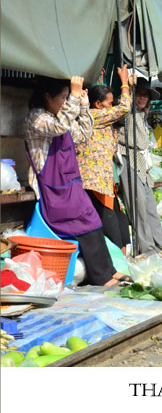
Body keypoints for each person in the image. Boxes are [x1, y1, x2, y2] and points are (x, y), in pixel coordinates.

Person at [24, 76, 126, 286]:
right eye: (63, 98)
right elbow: (58, 128)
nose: (65, 103)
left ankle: (109, 270)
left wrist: (84, 106)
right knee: (83, 224)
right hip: (52, 190)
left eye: (66, 98)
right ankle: (102, 277)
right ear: (47, 97)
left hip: (70, 184)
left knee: (94, 221)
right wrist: (74, 97)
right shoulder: (37, 118)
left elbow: (82, 136)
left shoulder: (60, 117)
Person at [76, 66, 132, 254]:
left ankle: (122, 258)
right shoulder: (94, 115)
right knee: (110, 220)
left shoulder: (103, 119)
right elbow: (124, 107)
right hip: (95, 179)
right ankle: (117, 261)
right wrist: (124, 82)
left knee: (120, 219)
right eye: (109, 103)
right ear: (98, 104)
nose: (112, 106)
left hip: (105, 179)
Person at [118, 79, 162, 254]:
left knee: (150, 207)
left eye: (145, 95)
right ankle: (147, 249)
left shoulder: (142, 115)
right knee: (138, 207)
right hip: (128, 159)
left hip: (142, 164)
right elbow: (138, 141)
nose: (142, 98)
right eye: (139, 94)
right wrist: (126, 83)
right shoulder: (127, 112)